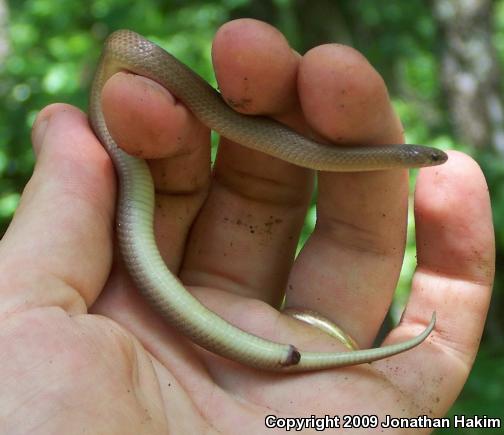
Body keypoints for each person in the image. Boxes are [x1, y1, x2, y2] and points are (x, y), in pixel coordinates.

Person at [0, 19, 495, 433]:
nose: (432, 160)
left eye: (430, 158)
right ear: (412, 158)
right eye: (428, 157)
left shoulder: (360, 157)